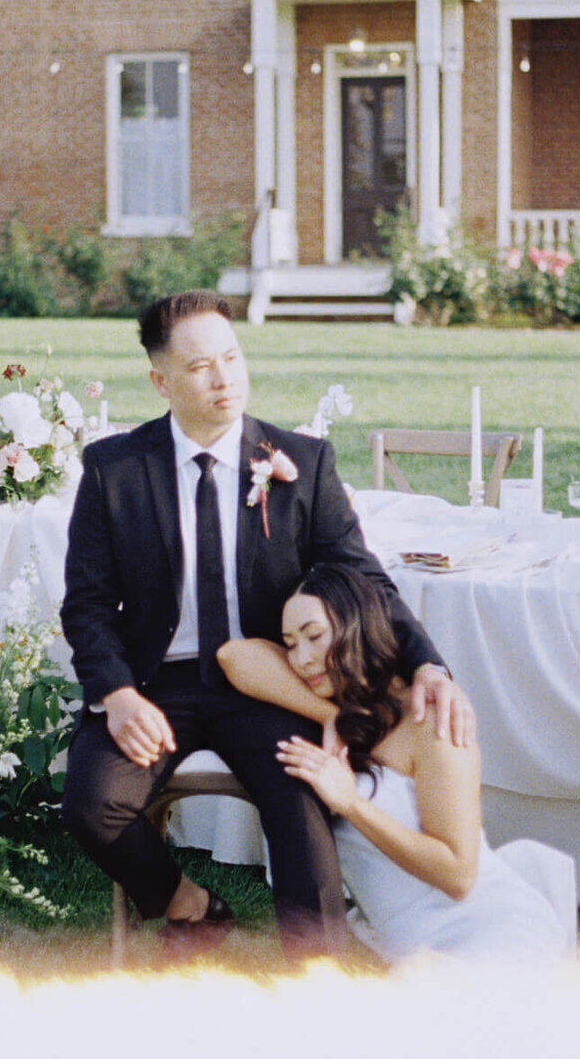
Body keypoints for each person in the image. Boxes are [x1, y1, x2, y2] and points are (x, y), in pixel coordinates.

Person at [59, 288, 472, 954]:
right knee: (92, 804)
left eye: (232, 357)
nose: (224, 378)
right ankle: (185, 902)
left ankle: (315, 981)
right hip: (155, 682)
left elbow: (365, 577)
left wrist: (428, 663)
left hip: (270, 682)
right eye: (200, 367)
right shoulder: (115, 471)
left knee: (303, 806)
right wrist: (119, 694)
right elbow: (87, 603)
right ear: (161, 381)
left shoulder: (301, 464)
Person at [217, 563, 577, 964]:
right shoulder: (335, 708)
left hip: (487, 932)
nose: (300, 659)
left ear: (359, 626)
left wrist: (352, 804)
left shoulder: (431, 721)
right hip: (409, 941)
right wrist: (328, 715)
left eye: (314, 636)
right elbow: (235, 657)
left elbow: (458, 875)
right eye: (290, 643)